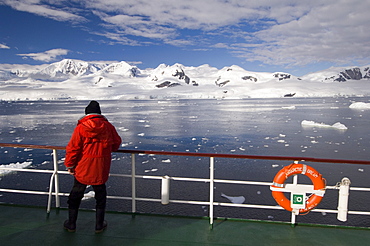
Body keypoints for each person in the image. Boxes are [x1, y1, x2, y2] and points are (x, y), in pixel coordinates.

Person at [63, 100, 122, 233]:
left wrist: (70, 165)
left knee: (76, 195)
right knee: (100, 196)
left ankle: (71, 224)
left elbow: (73, 148)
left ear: (87, 113)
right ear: (99, 113)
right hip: (101, 167)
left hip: (83, 167)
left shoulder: (81, 128)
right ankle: (99, 225)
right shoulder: (108, 127)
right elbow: (116, 144)